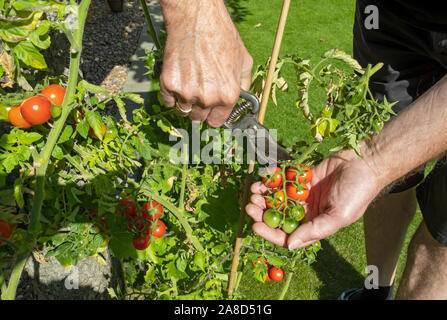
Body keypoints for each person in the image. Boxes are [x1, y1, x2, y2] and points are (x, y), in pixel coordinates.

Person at [158, 0, 447, 299]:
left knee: (439, 239)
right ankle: (376, 289)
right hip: (389, 15)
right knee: (388, 178)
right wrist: (195, 12)